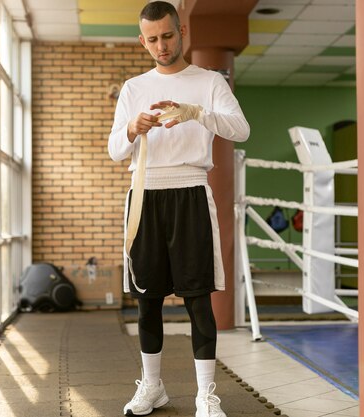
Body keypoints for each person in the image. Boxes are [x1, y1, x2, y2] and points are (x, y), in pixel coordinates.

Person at [108, 2, 250, 416]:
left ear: (182, 32)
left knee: (197, 298)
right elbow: (116, 150)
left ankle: (206, 396)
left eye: (167, 36)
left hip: (189, 190)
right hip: (145, 192)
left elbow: (241, 129)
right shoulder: (134, 87)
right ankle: (153, 387)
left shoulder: (208, 81)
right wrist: (132, 128)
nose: (161, 46)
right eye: (152, 39)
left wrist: (197, 113)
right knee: (147, 299)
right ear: (142, 41)